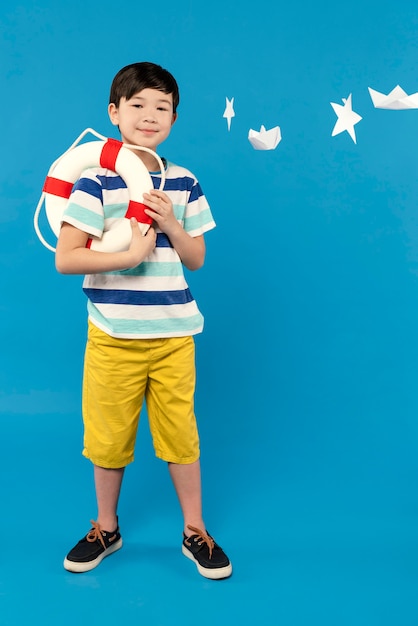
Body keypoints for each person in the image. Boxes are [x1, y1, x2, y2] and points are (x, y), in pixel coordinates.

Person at [55, 61, 232, 580]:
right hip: (113, 336)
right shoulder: (95, 182)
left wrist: (170, 224)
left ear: (174, 118)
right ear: (114, 113)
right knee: (109, 437)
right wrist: (126, 254)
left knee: (181, 434)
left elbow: (196, 257)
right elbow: (66, 258)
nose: (150, 116)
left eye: (163, 107)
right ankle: (106, 527)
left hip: (175, 334)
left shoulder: (183, 181)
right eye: (137, 105)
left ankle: (194, 529)